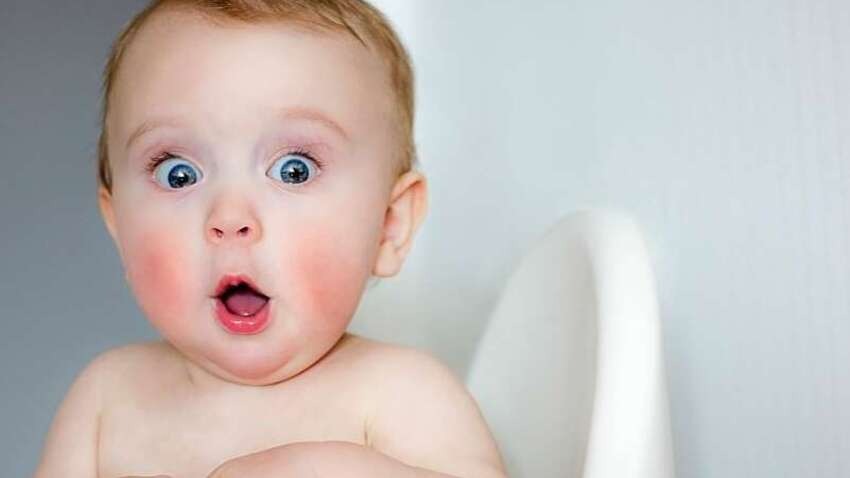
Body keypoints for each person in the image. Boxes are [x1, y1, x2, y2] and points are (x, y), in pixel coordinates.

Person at [33, 1, 507, 477]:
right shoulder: (105, 399)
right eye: (179, 174)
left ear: (389, 225)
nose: (230, 217)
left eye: (293, 170)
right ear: (119, 227)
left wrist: (328, 469)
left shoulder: (403, 393)